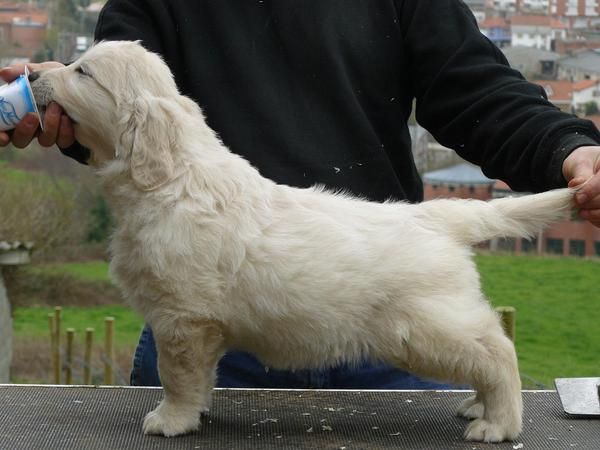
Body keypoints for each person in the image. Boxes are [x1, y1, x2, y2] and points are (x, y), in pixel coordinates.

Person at [2, 0, 600, 389]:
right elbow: (124, 112)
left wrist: (569, 147)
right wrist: (62, 104)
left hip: (384, 307)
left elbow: (478, 92)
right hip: (216, 326)